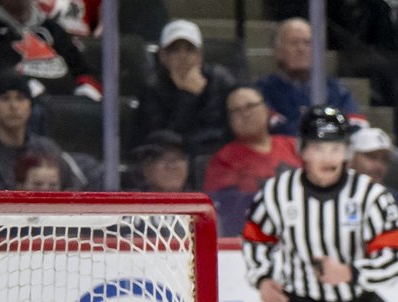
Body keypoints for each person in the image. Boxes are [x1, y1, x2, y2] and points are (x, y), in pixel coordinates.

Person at [244, 105, 398, 302]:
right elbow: (256, 241)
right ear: (303, 150)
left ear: (347, 152)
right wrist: (262, 279)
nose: (327, 157)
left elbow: (393, 258)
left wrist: (350, 273)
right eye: (318, 148)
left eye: (335, 148)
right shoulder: (277, 193)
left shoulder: (371, 196)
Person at [204, 84, 303, 237]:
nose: (245, 114)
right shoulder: (224, 159)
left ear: (266, 109)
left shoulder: (294, 146)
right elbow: (227, 210)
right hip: (253, 236)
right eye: (236, 110)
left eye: (250, 106)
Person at [138, 19, 234, 157]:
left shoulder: (219, 79)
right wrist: (188, 96)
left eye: (190, 49)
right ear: (163, 56)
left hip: (220, 156)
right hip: (174, 161)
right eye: (174, 50)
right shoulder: (152, 89)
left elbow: (226, 126)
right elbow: (162, 142)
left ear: (200, 55)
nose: (183, 56)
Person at [0, 0, 100, 98]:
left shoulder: (50, 27)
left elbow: (81, 68)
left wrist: (86, 86)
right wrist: (24, 89)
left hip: (67, 105)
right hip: (27, 106)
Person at [0, 70, 80, 189]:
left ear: (30, 107)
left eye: (20, 98)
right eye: (5, 98)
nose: (14, 106)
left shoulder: (47, 149)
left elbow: (73, 188)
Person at [256, 18, 361, 136]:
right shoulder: (262, 91)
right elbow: (275, 127)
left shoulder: (336, 89)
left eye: (307, 43)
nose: (301, 49)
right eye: (294, 42)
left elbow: (356, 124)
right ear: (279, 52)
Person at [349, 125, 398, 194]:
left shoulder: (391, 199)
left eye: (385, 159)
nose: (379, 166)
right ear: (351, 159)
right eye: (372, 157)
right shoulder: (338, 196)